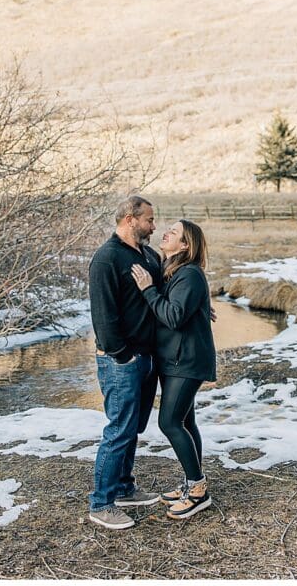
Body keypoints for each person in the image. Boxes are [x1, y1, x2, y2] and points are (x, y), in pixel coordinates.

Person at [86, 195, 165, 530]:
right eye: (149, 219)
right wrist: (123, 356)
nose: (154, 224)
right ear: (130, 219)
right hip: (122, 362)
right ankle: (101, 503)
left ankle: (123, 488)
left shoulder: (148, 255)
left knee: (133, 428)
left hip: (148, 358)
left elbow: (160, 297)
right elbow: (103, 318)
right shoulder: (106, 259)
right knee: (118, 429)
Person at [130, 219, 216, 520]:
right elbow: (182, 307)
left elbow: (173, 316)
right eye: (166, 228)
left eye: (174, 232)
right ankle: (193, 483)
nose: (165, 232)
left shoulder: (189, 274)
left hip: (186, 361)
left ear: (185, 246)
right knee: (186, 421)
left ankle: (197, 490)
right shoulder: (174, 272)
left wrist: (148, 290)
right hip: (175, 359)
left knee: (169, 422)